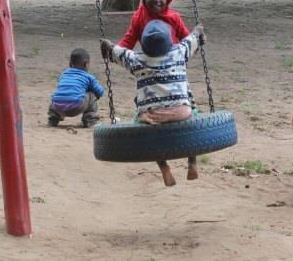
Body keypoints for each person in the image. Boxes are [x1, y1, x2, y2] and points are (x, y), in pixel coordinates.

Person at [101, 20, 205, 187]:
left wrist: (107, 45)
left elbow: (117, 52)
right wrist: (198, 30)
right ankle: (192, 162)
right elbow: (192, 39)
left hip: (151, 116)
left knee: (147, 134)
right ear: (170, 42)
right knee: (194, 114)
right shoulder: (179, 51)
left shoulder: (137, 59)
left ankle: (164, 167)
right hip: (181, 113)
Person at [48, 48, 104, 128]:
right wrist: (89, 88)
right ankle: (90, 120)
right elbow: (100, 92)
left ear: (70, 64)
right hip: (76, 106)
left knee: (58, 95)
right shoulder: (88, 77)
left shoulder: (64, 74)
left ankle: (53, 119)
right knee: (92, 95)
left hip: (57, 107)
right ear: (86, 64)